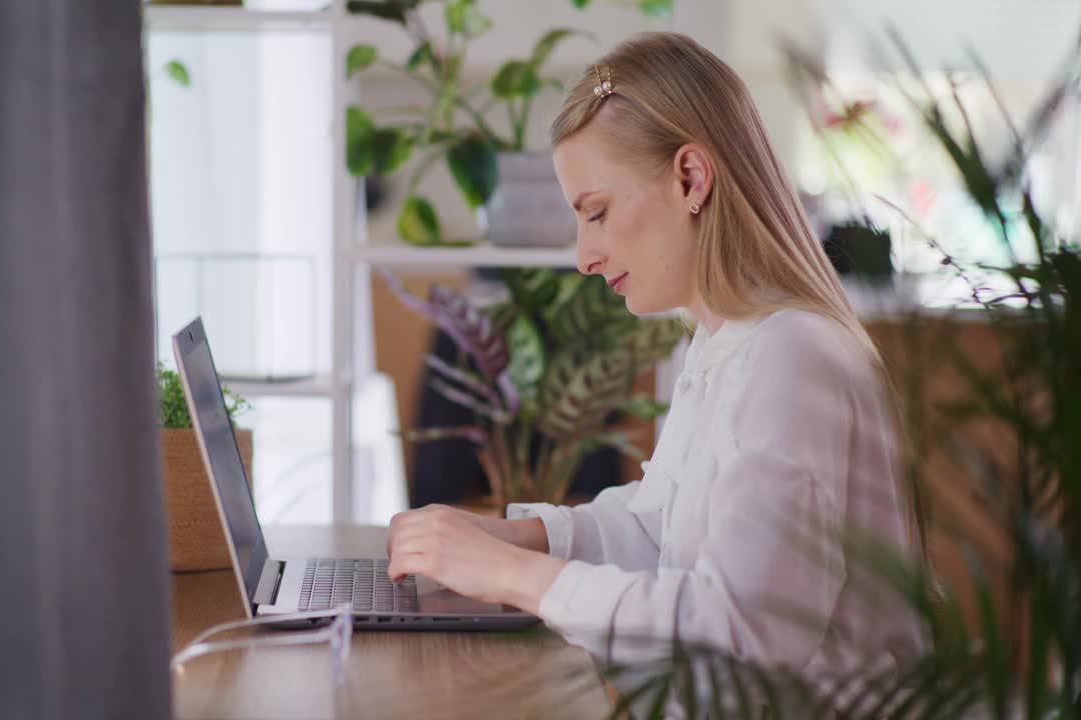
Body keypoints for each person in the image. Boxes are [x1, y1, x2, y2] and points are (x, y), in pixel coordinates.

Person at [385, 31, 927, 694]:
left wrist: (511, 577)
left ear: (690, 178)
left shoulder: (791, 357)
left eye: (599, 213)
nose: (584, 256)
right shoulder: (730, 340)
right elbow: (662, 527)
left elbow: (741, 634)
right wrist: (511, 537)